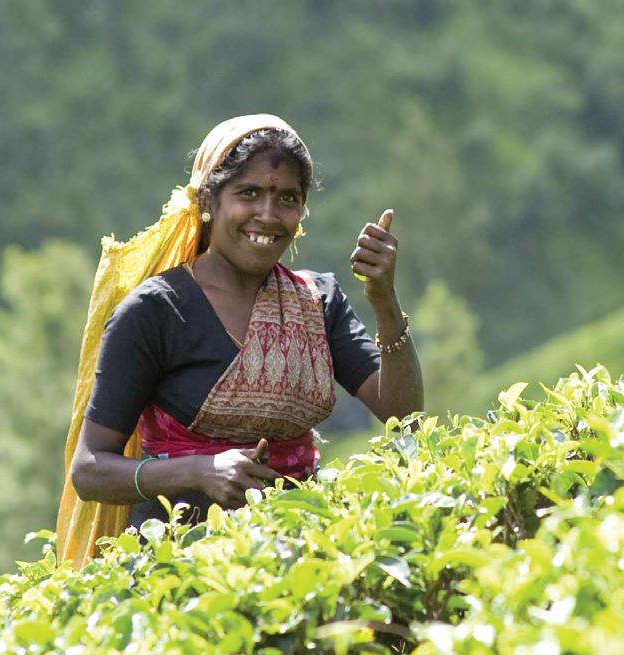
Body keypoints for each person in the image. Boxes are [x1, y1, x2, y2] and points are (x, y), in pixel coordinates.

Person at [55, 114, 424, 567]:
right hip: (176, 566)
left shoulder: (316, 301)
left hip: (300, 557)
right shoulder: (156, 311)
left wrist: (384, 300)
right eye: (248, 193)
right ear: (208, 201)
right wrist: (200, 471)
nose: (267, 215)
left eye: (287, 198)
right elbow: (90, 469)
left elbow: (403, 413)